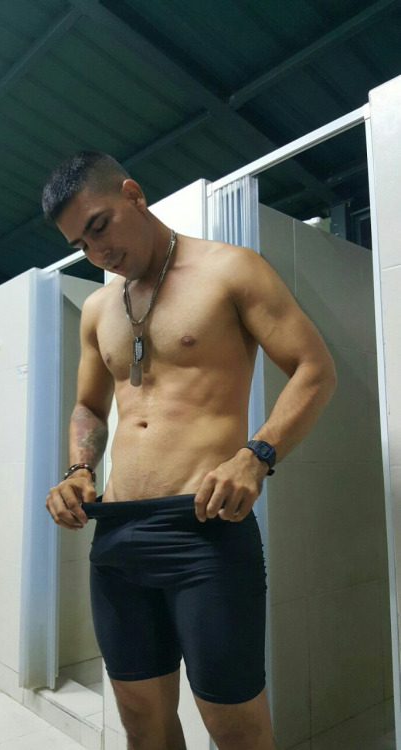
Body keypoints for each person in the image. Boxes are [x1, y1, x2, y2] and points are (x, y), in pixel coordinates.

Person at [43, 151, 337, 750]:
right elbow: (90, 406)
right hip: (116, 535)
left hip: (204, 532)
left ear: (132, 194)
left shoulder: (231, 270)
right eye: (81, 244)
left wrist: (255, 456)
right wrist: (77, 468)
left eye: (99, 226)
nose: (97, 252)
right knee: (141, 723)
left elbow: (314, 369)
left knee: (235, 729)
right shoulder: (98, 309)